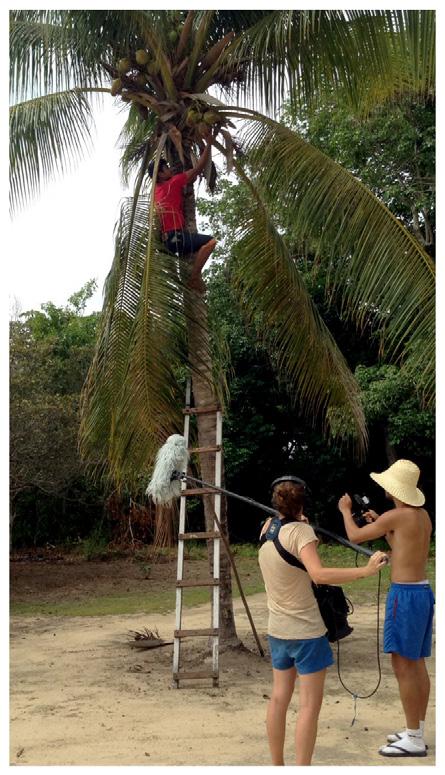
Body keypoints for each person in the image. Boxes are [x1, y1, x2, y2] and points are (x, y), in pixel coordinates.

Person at [258, 475, 387, 766]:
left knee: (279, 699)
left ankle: (276, 765)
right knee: (308, 707)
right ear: (303, 503)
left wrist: (297, 522)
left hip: (277, 630)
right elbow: (318, 574)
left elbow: (284, 534)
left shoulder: (267, 529)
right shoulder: (302, 533)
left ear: (276, 502)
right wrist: (365, 571)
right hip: (306, 632)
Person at [338, 458, 434, 758]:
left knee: (402, 665)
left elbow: (354, 536)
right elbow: (402, 545)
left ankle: (415, 739)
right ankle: (415, 729)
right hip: (421, 591)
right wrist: (381, 523)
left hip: (404, 596)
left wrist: (345, 511)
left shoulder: (395, 516)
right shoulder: (421, 516)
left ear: (395, 489)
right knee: (416, 662)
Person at [148, 136, 217, 290]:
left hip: (167, 241)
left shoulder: (155, 193)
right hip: (176, 238)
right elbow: (198, 168)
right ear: (159, 174)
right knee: (211, 242)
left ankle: (189, 278)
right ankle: (194, 277)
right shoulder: (173, 182)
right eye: (166, 168)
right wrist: (209, 144)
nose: (170, 169)